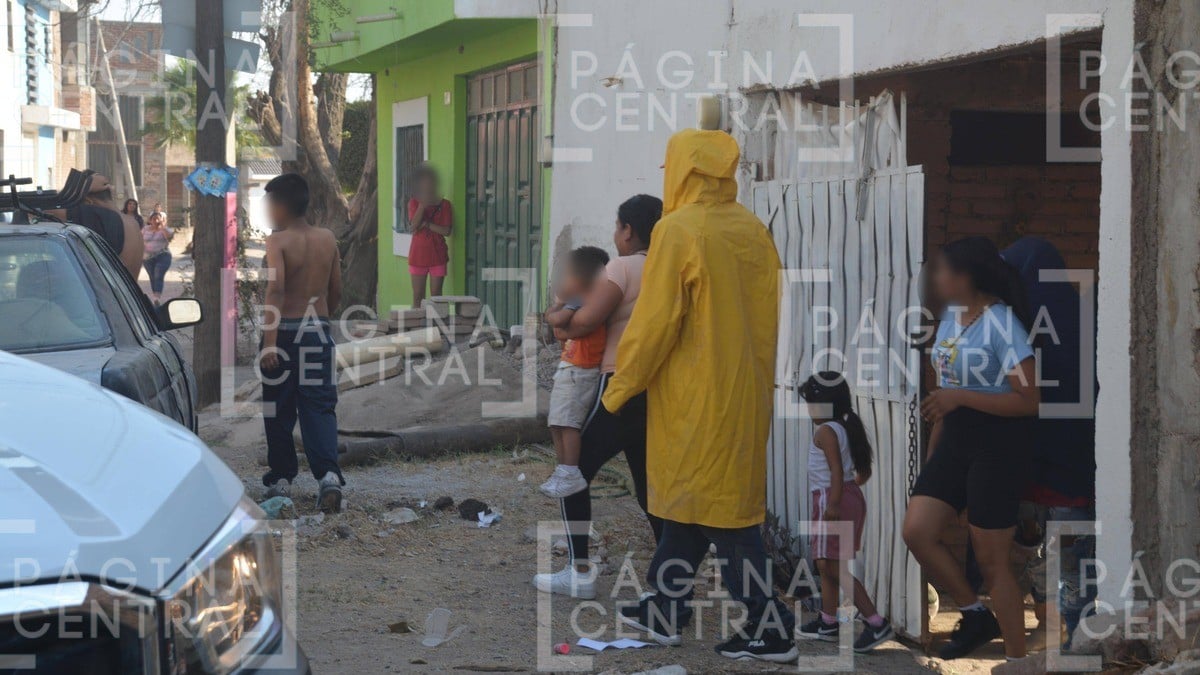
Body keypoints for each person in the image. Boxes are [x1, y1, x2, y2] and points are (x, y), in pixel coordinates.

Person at [603, 128, 797, 663]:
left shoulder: (677, 230)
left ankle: (771, 624)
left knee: (726, 520)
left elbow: (655, 323)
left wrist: (619, 388)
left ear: (683, 171)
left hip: (694, 397)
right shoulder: (752, 228)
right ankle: (666, 608)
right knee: (694, 506)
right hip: (743, 392)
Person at [901, 236, 1040, 661]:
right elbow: (946, 393)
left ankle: (1016, 663)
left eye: (943, 269)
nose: (936, 277)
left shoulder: (1002, 323)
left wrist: (959, 399)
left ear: (966, 277)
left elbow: (1029, 398)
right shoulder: (950, 319)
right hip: (955, 438)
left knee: (992, 560)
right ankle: (976, 614)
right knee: (917, 531)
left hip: (998, 444)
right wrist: (933, 462)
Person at [532, 194, 664, 600]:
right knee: (649, 487)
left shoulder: (621, 267)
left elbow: (586, 319)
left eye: (617, 226)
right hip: (655, 386)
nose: (614, 234)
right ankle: (667, 583)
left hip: (618, 384)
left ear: (627, 230)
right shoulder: (667, 266)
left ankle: (580, 569)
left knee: (573, 472)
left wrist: (562, 325)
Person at [258, 173, 346, 513]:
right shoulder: (328, 239)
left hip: (283, 334)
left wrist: (269, 343)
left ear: (280, 206)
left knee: (279, 408)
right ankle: (328, 477)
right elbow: (336, 289)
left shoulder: (276, 242)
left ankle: (281, 479)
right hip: (318, 331)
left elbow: (275, 289)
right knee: (319, 406)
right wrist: (320, 320)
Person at [796, 372, 895, 653]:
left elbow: (836, 471)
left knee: (833, 566)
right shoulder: (843, 426)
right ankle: (828, 621)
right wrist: (848, 495)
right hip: (846, 496)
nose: (808, 410)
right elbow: (860, 472)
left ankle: (876, 622)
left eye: (811, 403)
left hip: (831, 499)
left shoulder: (826, 431)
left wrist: (835, 502)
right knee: (826, 562)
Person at [541, 246, 610, 499]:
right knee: (556, 422)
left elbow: (556, 321)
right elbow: (552, 318)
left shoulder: (587, 299)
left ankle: (570, 472)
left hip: (580, 371)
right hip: (569, 368)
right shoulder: (577, 298)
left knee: (568, 423)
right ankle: (563, 471)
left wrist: (559, 305)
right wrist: (557, 307)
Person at [65, 173, 143, 279]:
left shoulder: (106, 222)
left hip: (107, 294)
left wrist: (81, 190)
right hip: (128, 294)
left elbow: (48, 209)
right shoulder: (133, 223)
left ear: (88, 202)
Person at [406, 164, 451, 307]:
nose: (427, 185)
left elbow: (447, 231)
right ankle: (417, 326)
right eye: (424, 182)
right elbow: (413, 226)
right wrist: (423, 205)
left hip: (438, 256)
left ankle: (435, 327)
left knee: (436, 297)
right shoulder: (414, 202)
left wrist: (426, 225)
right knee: (418, 296)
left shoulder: (445, 205)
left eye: (430, 181)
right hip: (417, 256)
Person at [141, 211, 174, 305]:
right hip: (147, 257)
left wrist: (162, 227)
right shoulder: (145, 229)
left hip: (162, 255)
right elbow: (139, 239)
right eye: (154, 219)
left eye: (157, 219)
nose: (155, 220)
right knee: (152, 277)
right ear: (150, 220)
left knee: (158, 274)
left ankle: (157, 297)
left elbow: (170, 237)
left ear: (161, 220)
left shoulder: (165, 229)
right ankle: (155, 296)